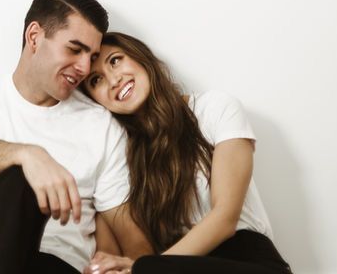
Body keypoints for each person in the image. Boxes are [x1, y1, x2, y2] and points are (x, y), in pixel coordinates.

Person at [0, 0, 151, 274]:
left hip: (56, 267)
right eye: (74, 49)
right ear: (34, 37)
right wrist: (28, 156)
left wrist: (128, 266)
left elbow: (134, 243)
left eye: (91, 56)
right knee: (20, 180)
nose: (83, 67)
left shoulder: (101, 126)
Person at [81, 33, 292, 274]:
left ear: (141, 57)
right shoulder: (121, 160)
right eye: (96, 80)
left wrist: (144, 268)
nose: (113, 79)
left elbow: (225, 219)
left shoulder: (215, 108)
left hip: (247, 259)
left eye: (115, 60)